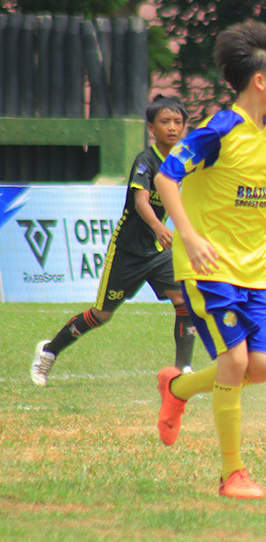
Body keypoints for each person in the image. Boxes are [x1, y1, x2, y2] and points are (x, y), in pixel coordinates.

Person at [152, 20, 266, 499]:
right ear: (261, 81)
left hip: (257, 269)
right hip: (208, 267)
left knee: (265, 366)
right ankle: (232, 473)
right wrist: (187, 236)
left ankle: (178, 390)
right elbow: (166, 180)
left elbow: (264, 193)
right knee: (233, 361)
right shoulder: (219, 129)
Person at [30, 95, 196, 386]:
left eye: (178, 122)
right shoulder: (146, 161)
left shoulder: (183, 162)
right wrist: (159, 227)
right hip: (128, 251)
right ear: (151, 128)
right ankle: (48, 351)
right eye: (165, 121)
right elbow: (141, 201)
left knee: (184, 300)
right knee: (101, 314)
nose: (172, 127)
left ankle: (182, 370)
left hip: (158, 251)